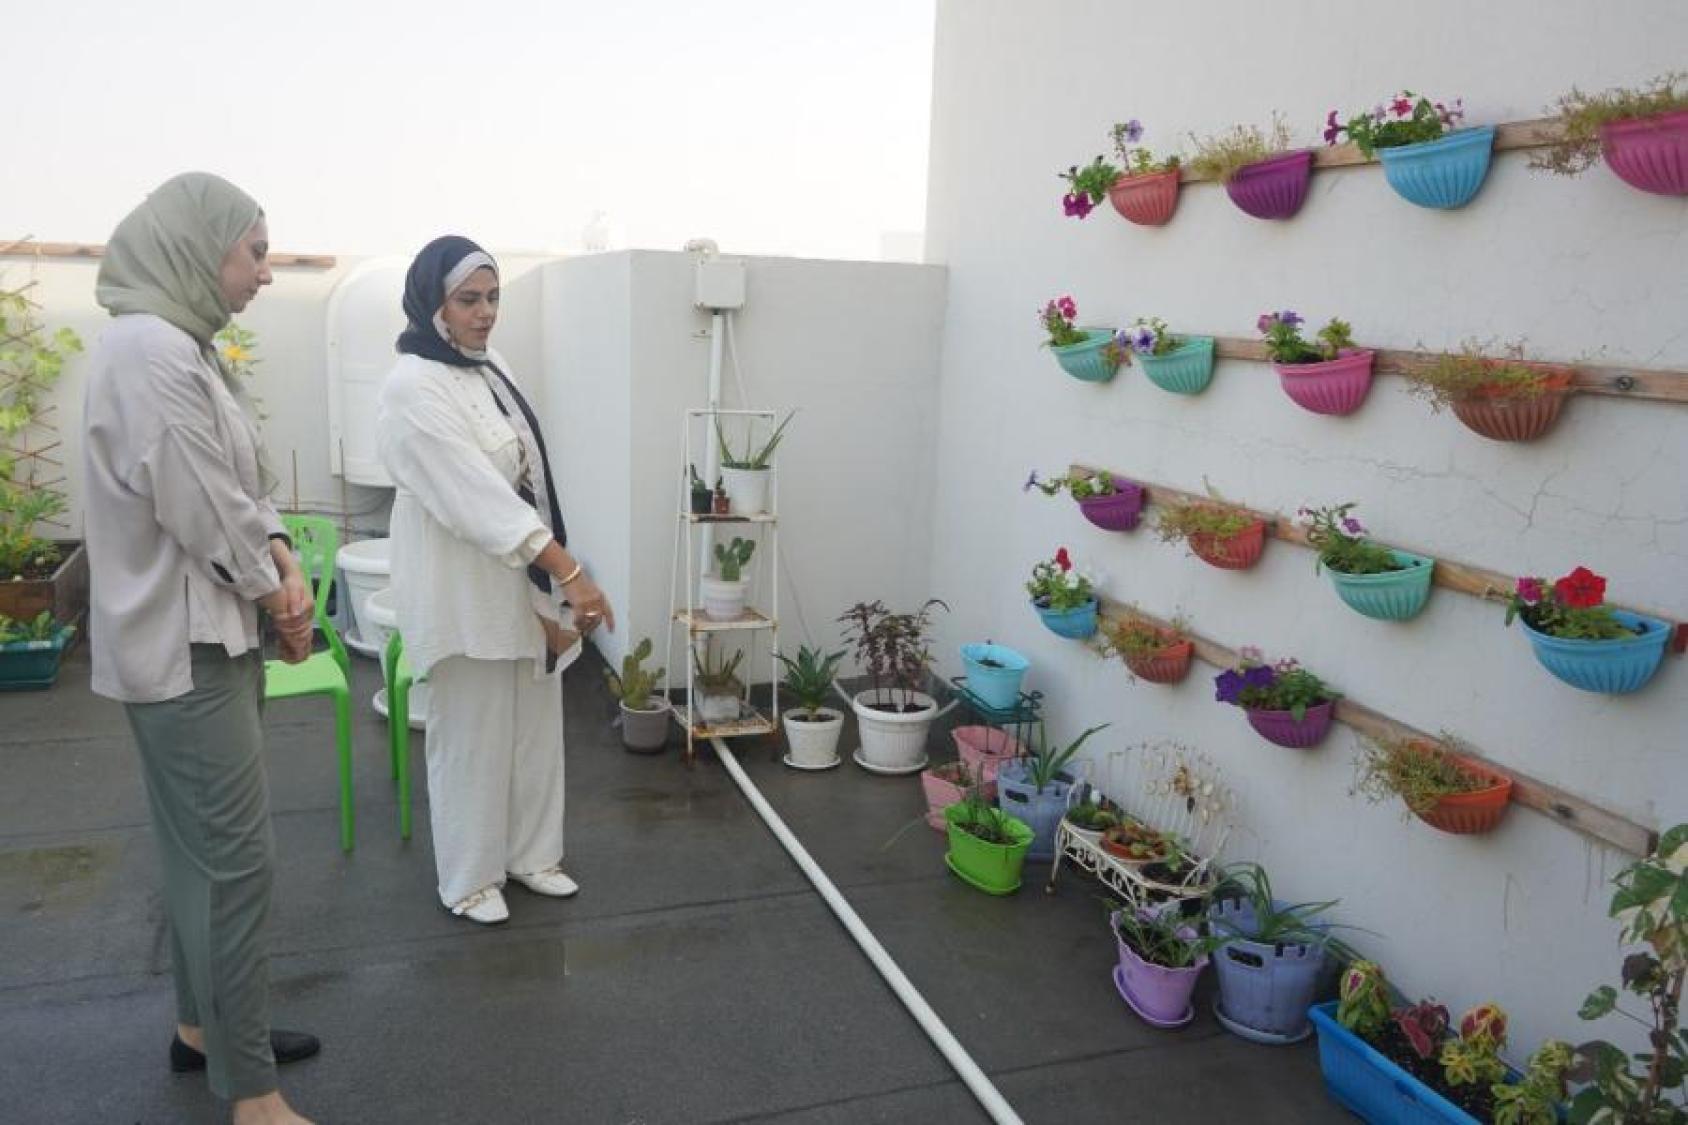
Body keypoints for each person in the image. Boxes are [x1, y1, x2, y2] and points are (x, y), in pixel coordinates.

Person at [83, 172, 319, 1125]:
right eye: (254, 250)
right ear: (197, 245)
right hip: (188, 649)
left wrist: (276, 554)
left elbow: (238, 486)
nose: (265, 271)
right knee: (234, 863)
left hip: (196, 637)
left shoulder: (176, 346)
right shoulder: (152, 352)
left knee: (199, 858)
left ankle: (205, 1031)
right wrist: (280, 593)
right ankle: (252, 1093)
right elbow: (202, 503)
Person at [377, 235, 614, 925]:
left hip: (521, 579)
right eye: (467, 300)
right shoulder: (411, 387)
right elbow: (473, 496)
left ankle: (532, 854)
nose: (485, 313)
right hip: (462, 587)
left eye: (492, 297)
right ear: (433, 305)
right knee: (472, 733)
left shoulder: (486, 365)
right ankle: (471, 877)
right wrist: (568, 570)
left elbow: (526, 471)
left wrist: (551, 572)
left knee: (535, 723)